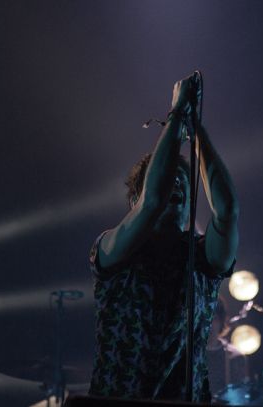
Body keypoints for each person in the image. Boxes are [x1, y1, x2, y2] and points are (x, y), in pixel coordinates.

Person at [88, 74, 239, 402]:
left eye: (183, 179)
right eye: (170, 177)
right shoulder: (112, 250)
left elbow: (226, 210)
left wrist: (196, 128)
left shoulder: (201, 259)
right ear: (133, 201)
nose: (178, 183)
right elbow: (152, 201)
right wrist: (176, 115)